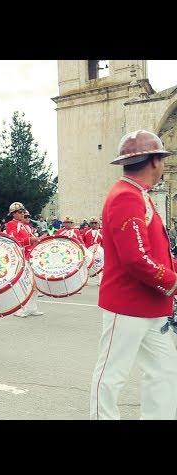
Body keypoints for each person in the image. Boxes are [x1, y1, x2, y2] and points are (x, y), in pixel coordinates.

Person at [90, 129, 177, 420]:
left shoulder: (137, 195)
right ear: (154, 161)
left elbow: (153, 251)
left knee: (164, 372)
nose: (163, 165)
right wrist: (172, 281)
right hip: (128, 305)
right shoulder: (125, 197)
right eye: (162, 159)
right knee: (111, 374)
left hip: (151, 304)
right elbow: (136, 257)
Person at [5, 201, 44, 317]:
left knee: (33, 283)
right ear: (13, 214)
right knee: (23, 284)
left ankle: (32, 308)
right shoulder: (11, 224)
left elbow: (30, 240)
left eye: (23, 211)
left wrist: (37, 240)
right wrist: (30, 241)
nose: (23, 214)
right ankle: (19, 310)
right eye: (20, 212)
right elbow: (13, 241)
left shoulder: (24, 226)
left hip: (29, 255)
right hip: (21, 256)